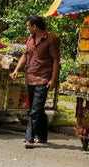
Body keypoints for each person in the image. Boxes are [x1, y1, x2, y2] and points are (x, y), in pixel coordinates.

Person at [10, 15, 60, 149]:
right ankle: (42, 136)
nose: (27, 28)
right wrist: (16, 70)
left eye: (28, 26)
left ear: (34, 26)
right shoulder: (30, 39)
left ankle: (29, 138)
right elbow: (25, 55)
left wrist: (53, 80)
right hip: (30, 77)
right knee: (37, 109)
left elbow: (56, 60)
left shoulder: (51, 39)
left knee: (35, 110)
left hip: (44, 78)